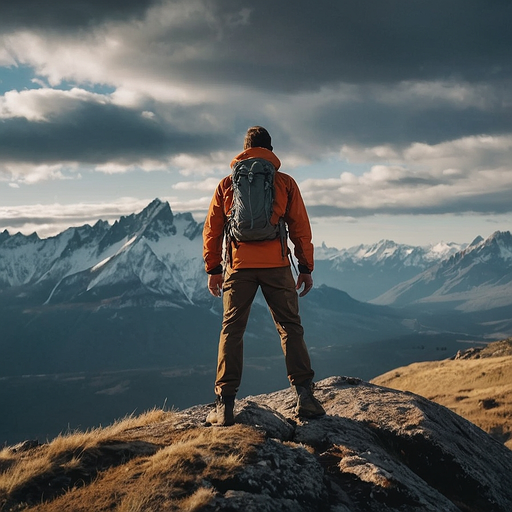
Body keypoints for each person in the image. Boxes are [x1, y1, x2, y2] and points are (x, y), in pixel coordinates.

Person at [202, 126, 325, 426]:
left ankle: (225, 405)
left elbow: (212, 230)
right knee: (289, 327)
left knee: (232, 330)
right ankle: (305, 397)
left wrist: (214, 269)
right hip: (276, 265)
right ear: (270, 150)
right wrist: (305, 267)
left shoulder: (227, 185)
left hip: (238, 266)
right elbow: (300, 228)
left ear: (244, 150)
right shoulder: (284, 182)